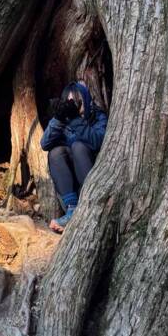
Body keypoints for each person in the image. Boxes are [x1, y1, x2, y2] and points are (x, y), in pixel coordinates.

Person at [40, 81, 108, 233]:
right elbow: (44, 143)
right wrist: (58, 118)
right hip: (72, 187)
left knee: (78, 146)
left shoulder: (97, 116)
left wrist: (77, 120)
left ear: (86, 99)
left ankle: (87, 204)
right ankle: (71, 210)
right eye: (70, 102)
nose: (74, 106)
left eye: (77, 101)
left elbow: (97, 141)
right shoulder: (64, 120)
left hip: (93, 181)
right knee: (56, 152)